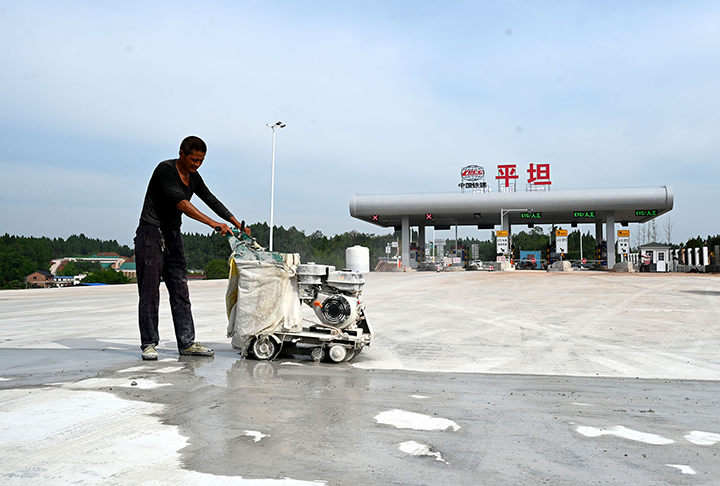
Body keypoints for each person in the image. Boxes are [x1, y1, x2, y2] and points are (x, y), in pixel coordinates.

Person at [134, 135, 249, 361]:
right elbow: (182, 204)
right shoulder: (165, 170)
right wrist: (213, 223)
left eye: (201, 161)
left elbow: (210, 199)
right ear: (181, 154)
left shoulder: (194, 177)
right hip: (151, 233)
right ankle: (149, 343)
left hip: (173, 235)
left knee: (180, 289)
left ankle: (186, 342)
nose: (196, 164)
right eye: (193, 159)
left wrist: (236, 222)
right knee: (149, 292)